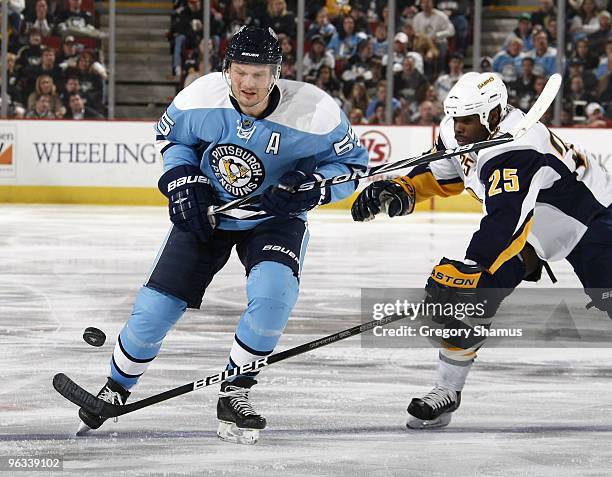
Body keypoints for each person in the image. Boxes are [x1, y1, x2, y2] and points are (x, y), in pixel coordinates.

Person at [76, 26, 368, 444]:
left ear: (277, 74)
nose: (249, 84)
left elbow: (353, 167)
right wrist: (181, 180)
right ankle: (117, 386)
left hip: (274, 219)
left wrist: (314, 184)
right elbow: (172, 139)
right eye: (241, 72)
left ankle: (235, 391)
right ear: (227, 69)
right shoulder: (199, 98)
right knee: (154, 310)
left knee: (273, 296)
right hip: (208, 214)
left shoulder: (316, 112)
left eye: (260, 74)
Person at [351, 72, 612, 429]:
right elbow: (444, 173)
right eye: (455, 118)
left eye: (468, 120)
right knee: (479, 296)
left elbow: (505, 223)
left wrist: (469, 271)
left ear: (492, 115)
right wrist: (400, 190)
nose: (458, 128)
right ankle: (446, 390)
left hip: (589, 216)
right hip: (534, 219)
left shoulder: (518, 149)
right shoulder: (456, 129)